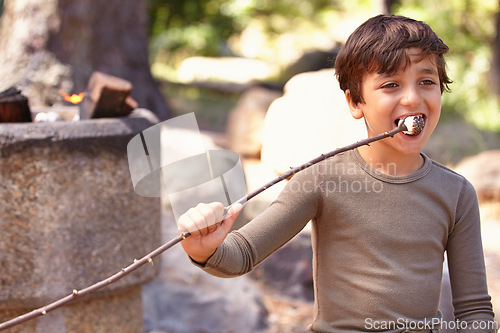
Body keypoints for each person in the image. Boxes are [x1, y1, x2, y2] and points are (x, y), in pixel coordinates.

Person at [177, 15, 496, 332]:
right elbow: (242, 254)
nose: (413, 97)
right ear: (355, 102)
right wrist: (204, 248)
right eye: (390, 85)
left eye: (427, 81)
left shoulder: (456, 193)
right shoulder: (321, 179)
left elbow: (474, 309)